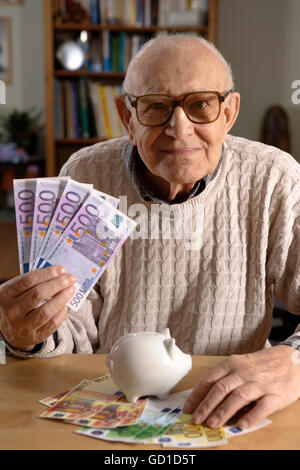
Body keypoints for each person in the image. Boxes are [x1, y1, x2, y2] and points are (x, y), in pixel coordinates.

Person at [0, 34, 300, 431]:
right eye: (156, 107)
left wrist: (294, 361)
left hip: (228, 409)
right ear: (127, 117)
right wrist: (29, 334)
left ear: (229, 113)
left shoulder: (275, 179)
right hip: (115, 401)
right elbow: (71, 329)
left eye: (201, 105)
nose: (180, 128)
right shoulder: (86, 174)